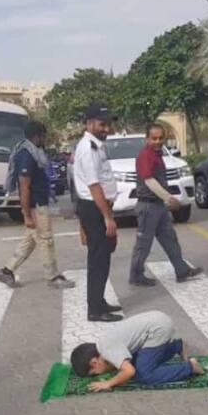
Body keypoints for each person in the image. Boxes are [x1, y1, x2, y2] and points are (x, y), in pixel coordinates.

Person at [0, 120, 75, 289]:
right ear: (37, 136)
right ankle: (52, 277)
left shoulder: (33, 152)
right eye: (43, 136)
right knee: (46, 241)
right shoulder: (27, 155)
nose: (44, 139)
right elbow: (24, 186)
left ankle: (7, 271)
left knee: (31, 240)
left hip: (39, 203)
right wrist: (26, 215)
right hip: (36, 206)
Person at [128, 123, 202, 287]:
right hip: (148, 206)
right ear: (147, 139)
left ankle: (181, 270)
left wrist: (164, 200)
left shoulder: (157, 154)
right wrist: (169, 198)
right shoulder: (145, 155)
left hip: (158, 206)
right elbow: (149, 181)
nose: (158, 141)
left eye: (161, 138)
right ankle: (136, 275)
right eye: (154, 138)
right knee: (143, 244)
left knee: (170, 239)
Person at [73, 103, 122, 322]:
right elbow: (93, 186)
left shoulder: (97, 145)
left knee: (103, 257)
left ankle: (99, 301)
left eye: (108, 125)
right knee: (97, 259)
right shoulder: (87, 149)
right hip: (95, 209)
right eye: (102, 124)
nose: (106, 129)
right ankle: (95, 310)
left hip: (96, 208)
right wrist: (107, 217)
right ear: (89, 123)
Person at [69, 311, 204, 388]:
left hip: (158, 330)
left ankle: (190, 367)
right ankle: (177, 346)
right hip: (157, 320)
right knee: (138, 362)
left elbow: (129, 371)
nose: (98, 375)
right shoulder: (103, 343)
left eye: (94, 373)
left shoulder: (107, 351)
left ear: (94, 362)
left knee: (143, 375)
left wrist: (108, 383)